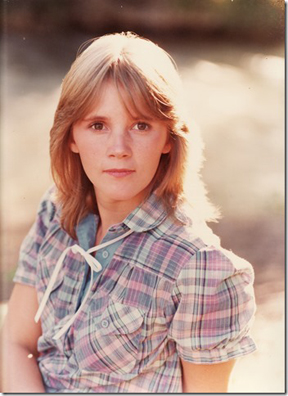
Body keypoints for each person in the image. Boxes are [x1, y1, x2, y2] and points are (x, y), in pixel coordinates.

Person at [1, 32, 256, 393]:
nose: (118, 148)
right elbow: (16, 343)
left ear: (169, 137)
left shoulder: (202, 267)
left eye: (140, 125)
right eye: (98, 125)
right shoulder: (55, 211)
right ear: (70, 136)